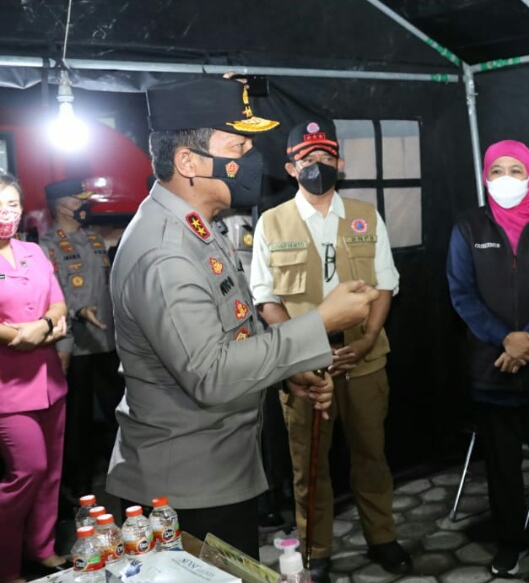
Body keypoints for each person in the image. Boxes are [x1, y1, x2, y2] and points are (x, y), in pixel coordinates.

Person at [106, 77, 378, 557]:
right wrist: (321, 323)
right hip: (184, 491)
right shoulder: (165, 253)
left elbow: (230, 335)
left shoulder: (198, 226)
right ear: (188, 162)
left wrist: (285, 372)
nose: (252, 158)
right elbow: (210, 373)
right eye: (238, 146)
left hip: (213, 470)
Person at [250, 116, 409, 581]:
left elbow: (385, 286)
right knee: (309, 465)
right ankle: (315, 549)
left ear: (339, 163)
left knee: (372, 456)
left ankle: (382, 537)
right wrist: (301, 350)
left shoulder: (365, 214)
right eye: (307, 158)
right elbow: (266, 299)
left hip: (363, 359)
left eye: (325, 156)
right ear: (290, 167)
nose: (317, 164)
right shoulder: (272, 222)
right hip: (306, 369)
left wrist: (366, 340)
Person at [447, 140, 529, 578]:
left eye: (515, 170)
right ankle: (509, 542)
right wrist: (505, 339)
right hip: (494, 368)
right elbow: (461, 294)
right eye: (497, 170)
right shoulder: (468, 228)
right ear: (485, 177)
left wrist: (528, 341)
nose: (506, 178)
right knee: (501, 467)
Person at [0, 173, 70, 583]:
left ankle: (42, 549)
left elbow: (58, 303)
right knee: (28, 469)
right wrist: (18, 336)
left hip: (49, 381)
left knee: (51, 472)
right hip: (8, 389)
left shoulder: (33, 251)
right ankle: (6, 564)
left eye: (11, 205)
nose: (5, 214)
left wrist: (40, 327)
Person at [40, 178, 125, 499]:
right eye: (78, 201)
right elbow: (52, 296)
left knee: (118, 413)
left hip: (107, 343)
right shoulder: (46, 246)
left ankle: (122, 476)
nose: (84, 206)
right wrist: (78, 310)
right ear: (62, 206)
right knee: (77, 420)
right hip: (74, 347)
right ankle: (79, 486)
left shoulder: (94, 238)